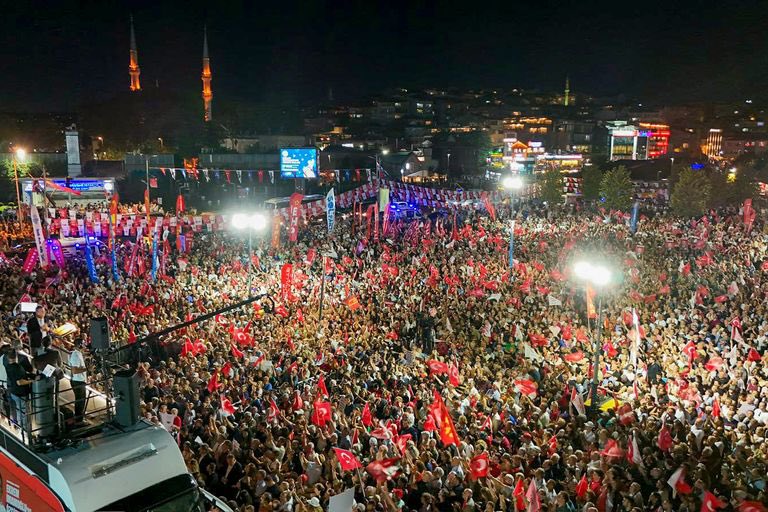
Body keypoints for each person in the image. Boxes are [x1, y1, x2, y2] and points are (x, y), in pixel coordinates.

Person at [5, 351, 34, 430]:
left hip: (13, 391)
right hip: (21, 393)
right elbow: (20, 382)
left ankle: (20, 429)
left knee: (19, 410)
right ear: (16, 357)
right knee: (24, 412)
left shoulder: (8, 366)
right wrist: (31, 381)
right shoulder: (17, 367)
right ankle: (25, 431)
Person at [68, 338, 87, 422]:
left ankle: (79, 418)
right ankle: (79, 420)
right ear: (79, 345)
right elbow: (74, 371)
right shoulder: (75, 355)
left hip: (80, 380)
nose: (85, 345)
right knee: (80, 401)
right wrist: (87, 369)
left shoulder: (78, 354)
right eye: (83, 343)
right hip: (78, 381)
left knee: (81, 401)